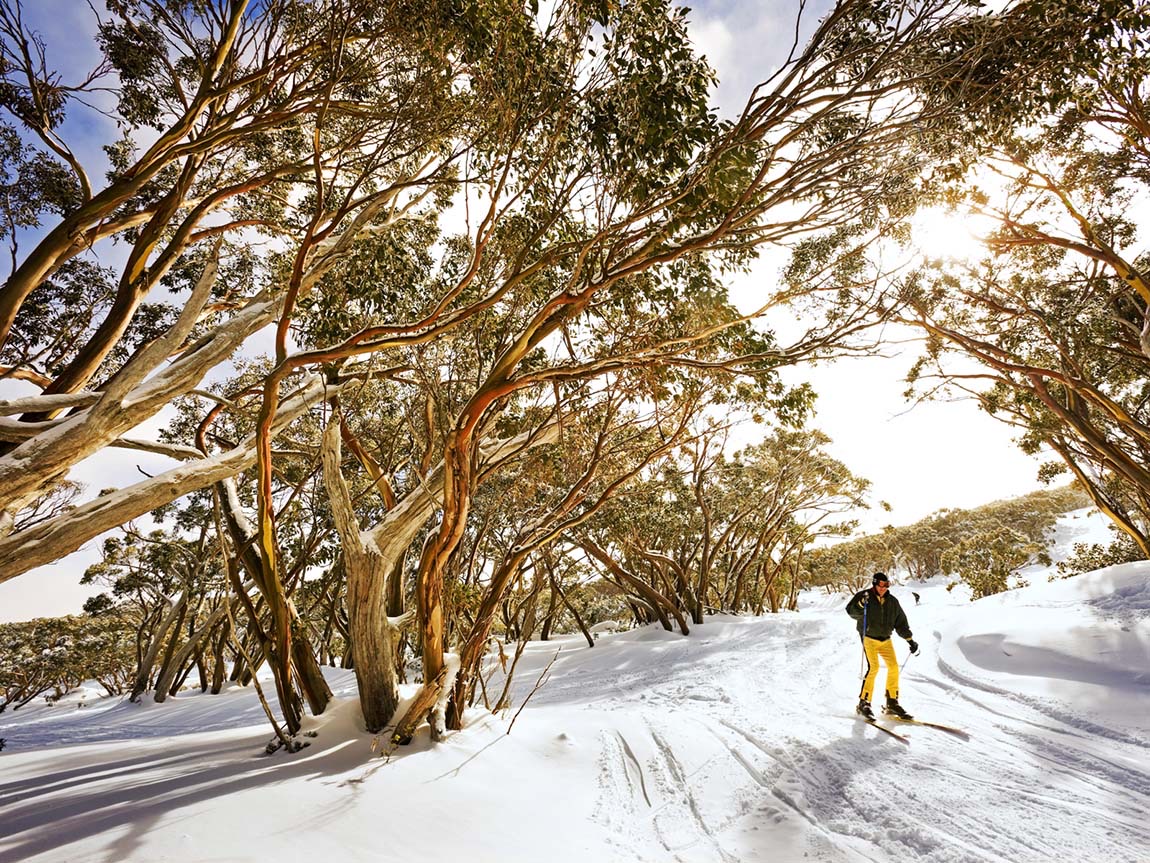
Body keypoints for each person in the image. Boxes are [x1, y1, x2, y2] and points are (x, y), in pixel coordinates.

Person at [846, 572, 919, 720]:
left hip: (885, 639)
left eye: (886, 585)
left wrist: (910, 640)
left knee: (893, 667)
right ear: (875, 583)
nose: (883, 588)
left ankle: (892, 702)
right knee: (874, 667)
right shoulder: (864, 596)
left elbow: (901, 623)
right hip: (869, 638)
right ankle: (864, 702)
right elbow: (851, 611)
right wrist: (861, 604)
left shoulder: (892, 602)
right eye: (881, 585)